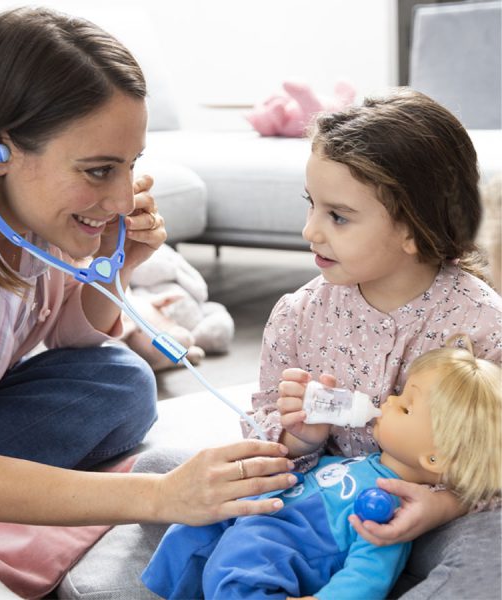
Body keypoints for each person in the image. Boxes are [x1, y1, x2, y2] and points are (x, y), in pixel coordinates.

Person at [0, 7, 297, 596]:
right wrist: (163, 497)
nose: (119, 197)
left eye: (130, 165)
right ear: (0, 149)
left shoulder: (24, 204)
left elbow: (68, 337)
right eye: (97, 170)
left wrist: (120, 266)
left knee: (120, 379)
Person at [78, 88, 501, 600]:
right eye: (312, 206)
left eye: (338, 217)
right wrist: (298, 438)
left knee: (491, 551)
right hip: (312, 503)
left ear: (415, 227)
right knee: (159, 470)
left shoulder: (482, 324)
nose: (310, 231)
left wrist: (442, 506)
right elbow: (263, 429)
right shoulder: (301, 315)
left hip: (424, 517)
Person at [141, 340, 501, 599]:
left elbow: (370, 573)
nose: (389, 400)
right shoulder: (362, 461)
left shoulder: (392, 506)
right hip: (264, 520)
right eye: (399, 393)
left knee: (235, 574)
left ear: (434, 459)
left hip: (277, 554)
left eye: (405, 407)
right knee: (190, 527)